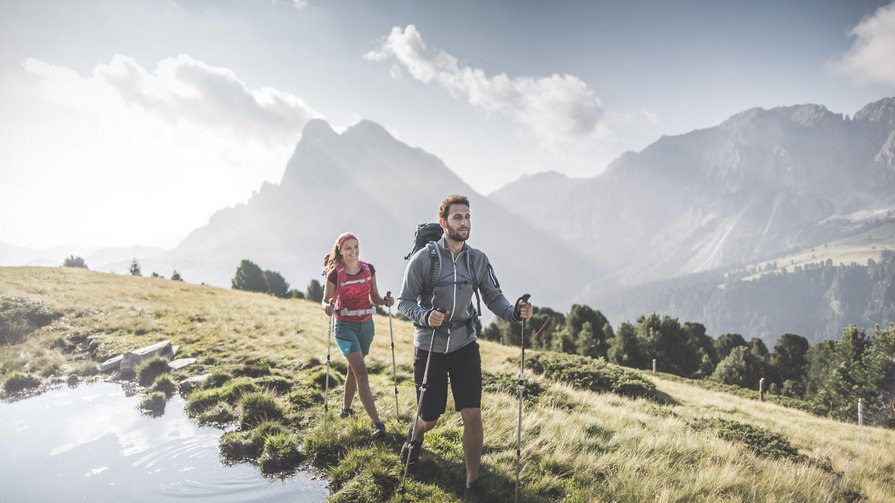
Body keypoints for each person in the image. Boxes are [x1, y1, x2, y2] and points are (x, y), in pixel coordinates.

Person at [397, 194, 533, 501]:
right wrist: (424, 316)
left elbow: (493, 297)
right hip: (430, 345)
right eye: (458, 217)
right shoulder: (425, 260)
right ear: (444, 223)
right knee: (430, 416)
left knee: (472, 414)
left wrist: (515, 312)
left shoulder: (478, 260)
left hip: (465, 344)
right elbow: (404, 301)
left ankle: (472, 485)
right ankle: (415, 436)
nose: (464, 222)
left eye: (468, 217)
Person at [322, 232, 394, 439]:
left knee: (353, 370)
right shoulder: (335, 274)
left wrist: (386, 301)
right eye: (348, 248)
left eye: (356, 247)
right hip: (344, 328)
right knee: (362, 373)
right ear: (341, 251)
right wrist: (326, 307)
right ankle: (377, 424)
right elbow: (325, 299)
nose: (353, 252)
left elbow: (375, 297)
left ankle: (346, 409)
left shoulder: (368, 269)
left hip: (366, 327)